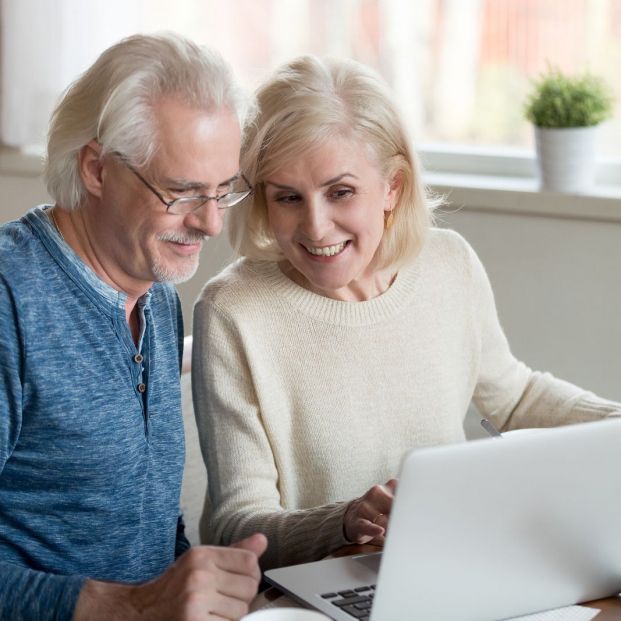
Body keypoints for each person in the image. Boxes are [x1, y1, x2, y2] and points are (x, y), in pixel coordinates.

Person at [191, 55, 621, 571]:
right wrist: (345, 521)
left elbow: (515, 396)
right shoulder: (233, 311)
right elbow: (235, 524)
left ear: (392, 186)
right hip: (307, 594)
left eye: (341, 192)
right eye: (288, 197)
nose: (316, 226)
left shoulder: (448, 263)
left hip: (452, 564)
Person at [0, 33, 267, 621]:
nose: (212, 223)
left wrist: (203, 591)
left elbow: (146, 525)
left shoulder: (157, 296)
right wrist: (125, 607)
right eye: (182, 193)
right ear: (96, 169)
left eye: (224, 191)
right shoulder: (10, 301)